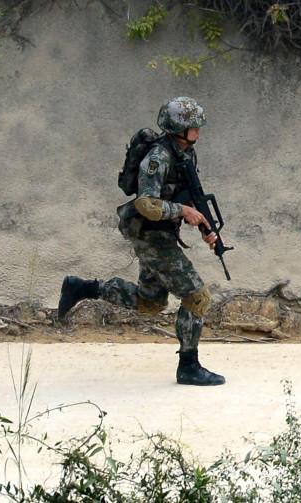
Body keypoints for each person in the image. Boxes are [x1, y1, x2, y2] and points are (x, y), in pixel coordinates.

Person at [56, 96, 225, 386]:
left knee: (150, 302)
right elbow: (147, 203)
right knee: (198, 296)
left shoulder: (185, 153)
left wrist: (204, 228)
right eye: (194, 125)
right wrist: (183, 211)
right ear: (178, 128)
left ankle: (83, 288)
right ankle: (188, 366)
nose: (199, 129)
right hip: (150, 235)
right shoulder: (158, 157)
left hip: (162, 234)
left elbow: (188, 196)